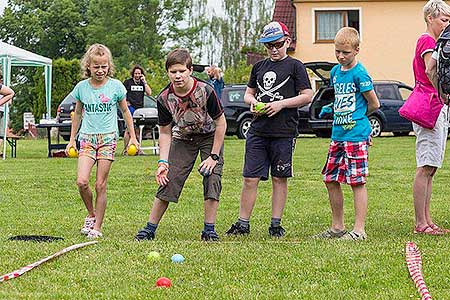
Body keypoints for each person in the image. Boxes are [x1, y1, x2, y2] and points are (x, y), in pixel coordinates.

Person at [226, 21, 313, 238]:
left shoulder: (295, 66)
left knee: (279, 178)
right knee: (250, 178)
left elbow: (307, 95)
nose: (274, 50)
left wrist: (281, 104)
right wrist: (253, 102)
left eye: (278, 44)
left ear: (287, 41)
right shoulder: (259, 67)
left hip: (284, 132)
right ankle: (243, 223)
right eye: (269, 46)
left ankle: (276, 225)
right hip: (258, 131)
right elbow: (248, 93)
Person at [134, 49, 227, 241]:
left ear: (190, 70)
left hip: (210, 136)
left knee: (212, 177)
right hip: (183, 138)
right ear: (168, 72)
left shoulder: (205, 90)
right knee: (169, 178)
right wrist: (162, 162)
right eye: (173, 71)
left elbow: (221, 123)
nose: (177, 76)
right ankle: (149, 229)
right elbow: (166, 132)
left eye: (181, 71)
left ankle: (209, 230)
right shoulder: (164, 98)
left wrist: (214, 157)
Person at [312, 27, 380, 241]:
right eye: (337, 51)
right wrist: (332, 108)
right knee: (330, 178)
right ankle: (337, 227)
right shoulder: (334, 73)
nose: (341, 56)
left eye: (345, 53)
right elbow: (343, 99)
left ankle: (359, 231)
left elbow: (374, 103)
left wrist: (358, 117)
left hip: (356, 135)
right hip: (338, 135)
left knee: (356, 181)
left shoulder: (360, 73)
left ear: (357, 50)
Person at [66, 43, 139, 239]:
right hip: (87, 138)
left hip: (108, 138)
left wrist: (132, 136)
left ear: (109, 66)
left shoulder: (116, 86)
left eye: (104, 66)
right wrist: (72, 140)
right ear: (88, 66)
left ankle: (97, 227)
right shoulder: (81, 88)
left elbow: (125, 111)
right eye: (96, 66)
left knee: (100, 184)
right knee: (82, 182)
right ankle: (91, 214)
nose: (100, 70)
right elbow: (78, 114)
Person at [413, 0, 450, 235]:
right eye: (444, 20)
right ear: (430, 18)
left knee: (432, 167)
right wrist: (443, 93)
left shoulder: (435, 42)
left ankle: (427, 220)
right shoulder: (427, 41)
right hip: (430, 105)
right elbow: (430, 70)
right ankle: (420, 223)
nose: (447, 25)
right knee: (425, 166)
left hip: (436, 107)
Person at [122, 65, 152, 154]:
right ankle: (125, 150)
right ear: (133, 74)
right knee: (129, 129)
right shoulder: (128, 82)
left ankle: (138, 149)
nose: (137, 75)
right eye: (136, 73)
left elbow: (149, 93)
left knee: (138, 130)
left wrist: (145, 82)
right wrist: (125, 101)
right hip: (130, 108)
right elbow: (122, 93)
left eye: (139, 73)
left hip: (139, 109)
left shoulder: (142, 83)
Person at [0, 74, 14, 157]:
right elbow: (9, 101)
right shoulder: (3, 88)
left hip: (1, 112)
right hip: (1, 111)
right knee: (0, 134)